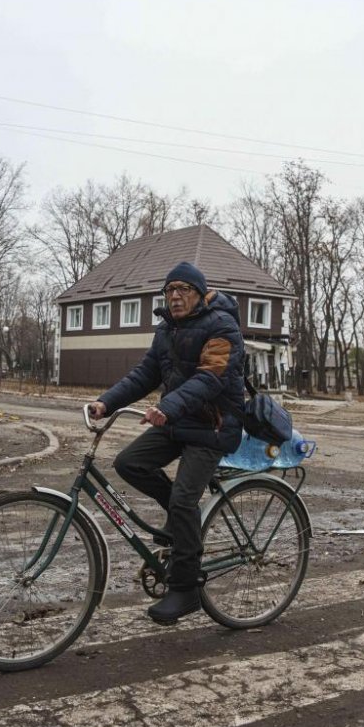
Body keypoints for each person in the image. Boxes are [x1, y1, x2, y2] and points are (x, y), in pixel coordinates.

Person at [87, 261, 245, 624]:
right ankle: (179, 519)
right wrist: (106, 402)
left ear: (200, 293)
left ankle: (186, 588)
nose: (174, 296)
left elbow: (210, 379)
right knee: (130, 463)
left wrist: (167, 407)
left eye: (183, 290)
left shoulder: (223, 326)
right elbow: (145, 373)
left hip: (214, 425)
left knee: (184, 499)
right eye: (169, 290)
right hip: (177, 420)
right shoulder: (166, 330)